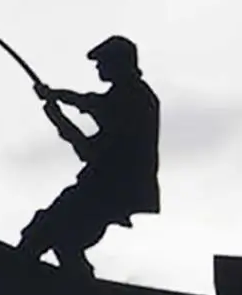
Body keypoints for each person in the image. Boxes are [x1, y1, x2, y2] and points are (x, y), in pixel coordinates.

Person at [17, 35, 159, 276]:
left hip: (110, 189)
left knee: (47, 229)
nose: (98, 67)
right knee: (62, 238)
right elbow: (90, 124)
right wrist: (58, 108)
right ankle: (77, 288)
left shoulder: (135, 99)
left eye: (102, 62)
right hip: (105, 188)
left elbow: (91, 128)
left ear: (119, 64)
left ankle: (14, 275)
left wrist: (57, 105)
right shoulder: (127, 98)